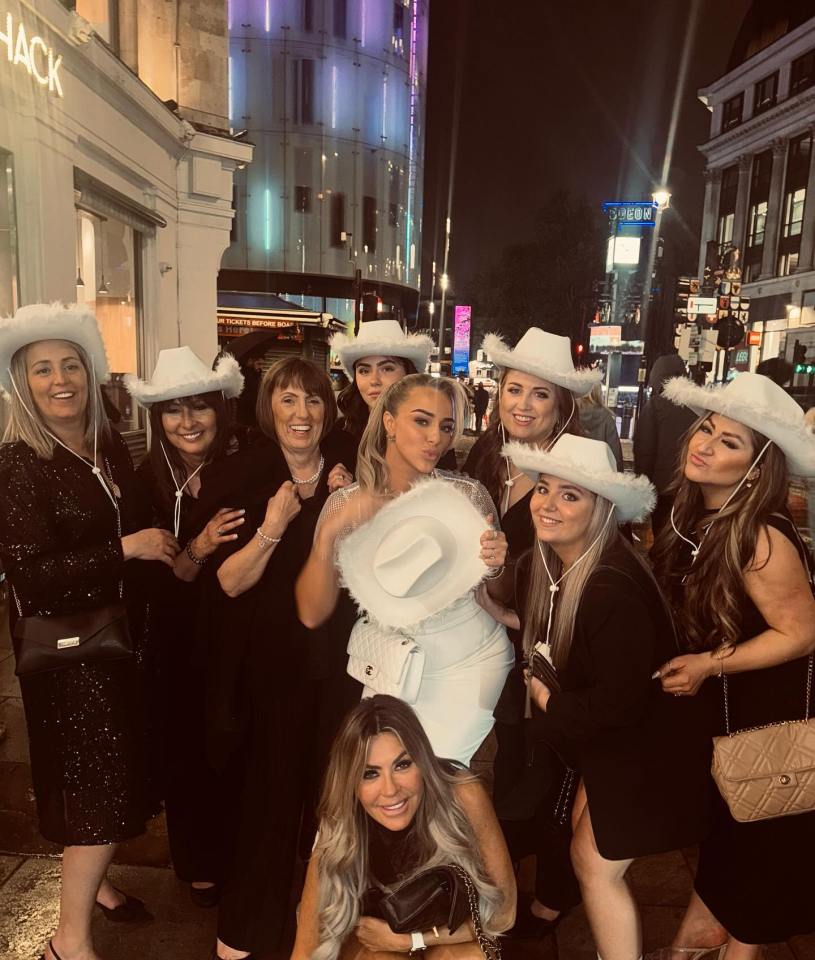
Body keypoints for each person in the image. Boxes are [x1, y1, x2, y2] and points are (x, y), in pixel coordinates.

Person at [482, 434, 711, 960]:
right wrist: (502, 615)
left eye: (571, 495)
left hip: (644, 752)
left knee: (596, 866)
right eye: (544, 489)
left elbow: (619, 707)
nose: (548, 504)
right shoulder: (566, 566)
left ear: (601, 508)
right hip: (614, 751)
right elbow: (567, 639)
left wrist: (546, 702)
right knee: (589, 861)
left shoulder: (609, 584)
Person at [0, 303, 179, 960]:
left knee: (103, 781)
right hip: (73, 655)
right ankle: (66, 941)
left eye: (70, 364)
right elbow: (31, 575)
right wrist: (125, 549)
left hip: (118, 646)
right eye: (42, 369)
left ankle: (95, 889)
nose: (60, 379)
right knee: (99, 790)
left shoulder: (104, 448)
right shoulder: (21, 462)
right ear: (23, 382)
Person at [650, 372, 815, 959]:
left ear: (758, 466)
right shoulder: (692, 513)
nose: (705, 444)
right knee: (729, 835)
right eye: (707, 429)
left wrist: (707, 666)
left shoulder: (759, 537)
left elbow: (799, 635)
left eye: (729, 443)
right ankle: (696, 939)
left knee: (756, 844)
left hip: (764, 715)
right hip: (724, 710)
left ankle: (720, 946)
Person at [296, 373, 513, 766]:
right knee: (387, 794)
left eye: (446, 426)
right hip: (390, 672)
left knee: (457, 791)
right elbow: (312, 613)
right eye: (421, 420)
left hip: (470, 668)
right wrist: (327, 536)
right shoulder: (346, 504)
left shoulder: (468, 494)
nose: (436, 438)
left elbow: (497, 597)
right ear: (389, 423)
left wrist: (498, 567)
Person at [462, 327, 600, 932]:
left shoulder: (576, 466)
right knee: (511, 758)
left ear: (561, 406)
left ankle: (547, 894)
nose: (522, 404)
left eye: (539, 395)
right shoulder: (486, 455)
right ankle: (512, 882)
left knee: (547, 766)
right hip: (491, 637)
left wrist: (515, 613)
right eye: (514, 389)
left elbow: (584, 565)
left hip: (547, 641)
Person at [209, 356, 343, 960]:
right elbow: (231, 582)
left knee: (332, 802)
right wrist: (274, 524)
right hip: (273, 669)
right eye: (288, 400)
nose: (301, 414)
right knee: (270, 801)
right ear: (269, 409)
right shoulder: (245, 475)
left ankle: (319, 926)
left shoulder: (348, 474)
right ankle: (244, 931)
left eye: (313, 401)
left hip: (339, 668)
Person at [126, 346, 245, 908]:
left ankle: (240, 850)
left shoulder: (244, 469)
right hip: (170, 637)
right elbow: (145, 577)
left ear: (221, 411)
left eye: (199, 408)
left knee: (236, 742)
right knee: (184, 750)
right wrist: (192, 551)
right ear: (158, 419)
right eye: (174, 411)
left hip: (235, 633)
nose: (188, 422)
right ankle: (197, 862)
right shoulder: (143, 481)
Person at [290, 695, 517, 960]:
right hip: (374, 942)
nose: (390, 790)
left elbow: (505, 914)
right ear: (351, 780)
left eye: (402, 764)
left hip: (446, 934)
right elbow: (305, 949)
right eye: (370, 773)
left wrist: (411, 941)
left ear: (422, 762)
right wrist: (391, 945)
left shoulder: (462, 794)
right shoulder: (342, 821)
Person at [330, 318, 456, 482]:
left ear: (408, 375)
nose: (374, 380)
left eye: (387, 368)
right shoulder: (339, 435)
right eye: (364, 371)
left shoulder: (434, 431)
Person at [633, 354, 696, 536]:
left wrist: (642, 487)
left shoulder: (655, 406)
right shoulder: (698, 407)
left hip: (662, 487)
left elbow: (644, 449)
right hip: (691, 487)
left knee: (662, 536)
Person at [578, 382, 623, 470]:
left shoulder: (567, 415)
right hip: (600, 478)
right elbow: (615, 455)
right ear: (599, 392)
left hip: (570, 476)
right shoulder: (606, 417)